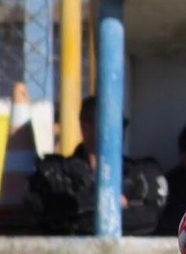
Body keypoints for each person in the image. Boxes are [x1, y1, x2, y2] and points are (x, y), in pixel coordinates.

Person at [19, 95, 168, 235]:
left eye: (122, 124)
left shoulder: (141, 173)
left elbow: (148, 217)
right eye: (110, 123)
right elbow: (43, 213)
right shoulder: (53, 172)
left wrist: (80, 217)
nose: (119, 130)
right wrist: (108, 201)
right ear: (85, 127)